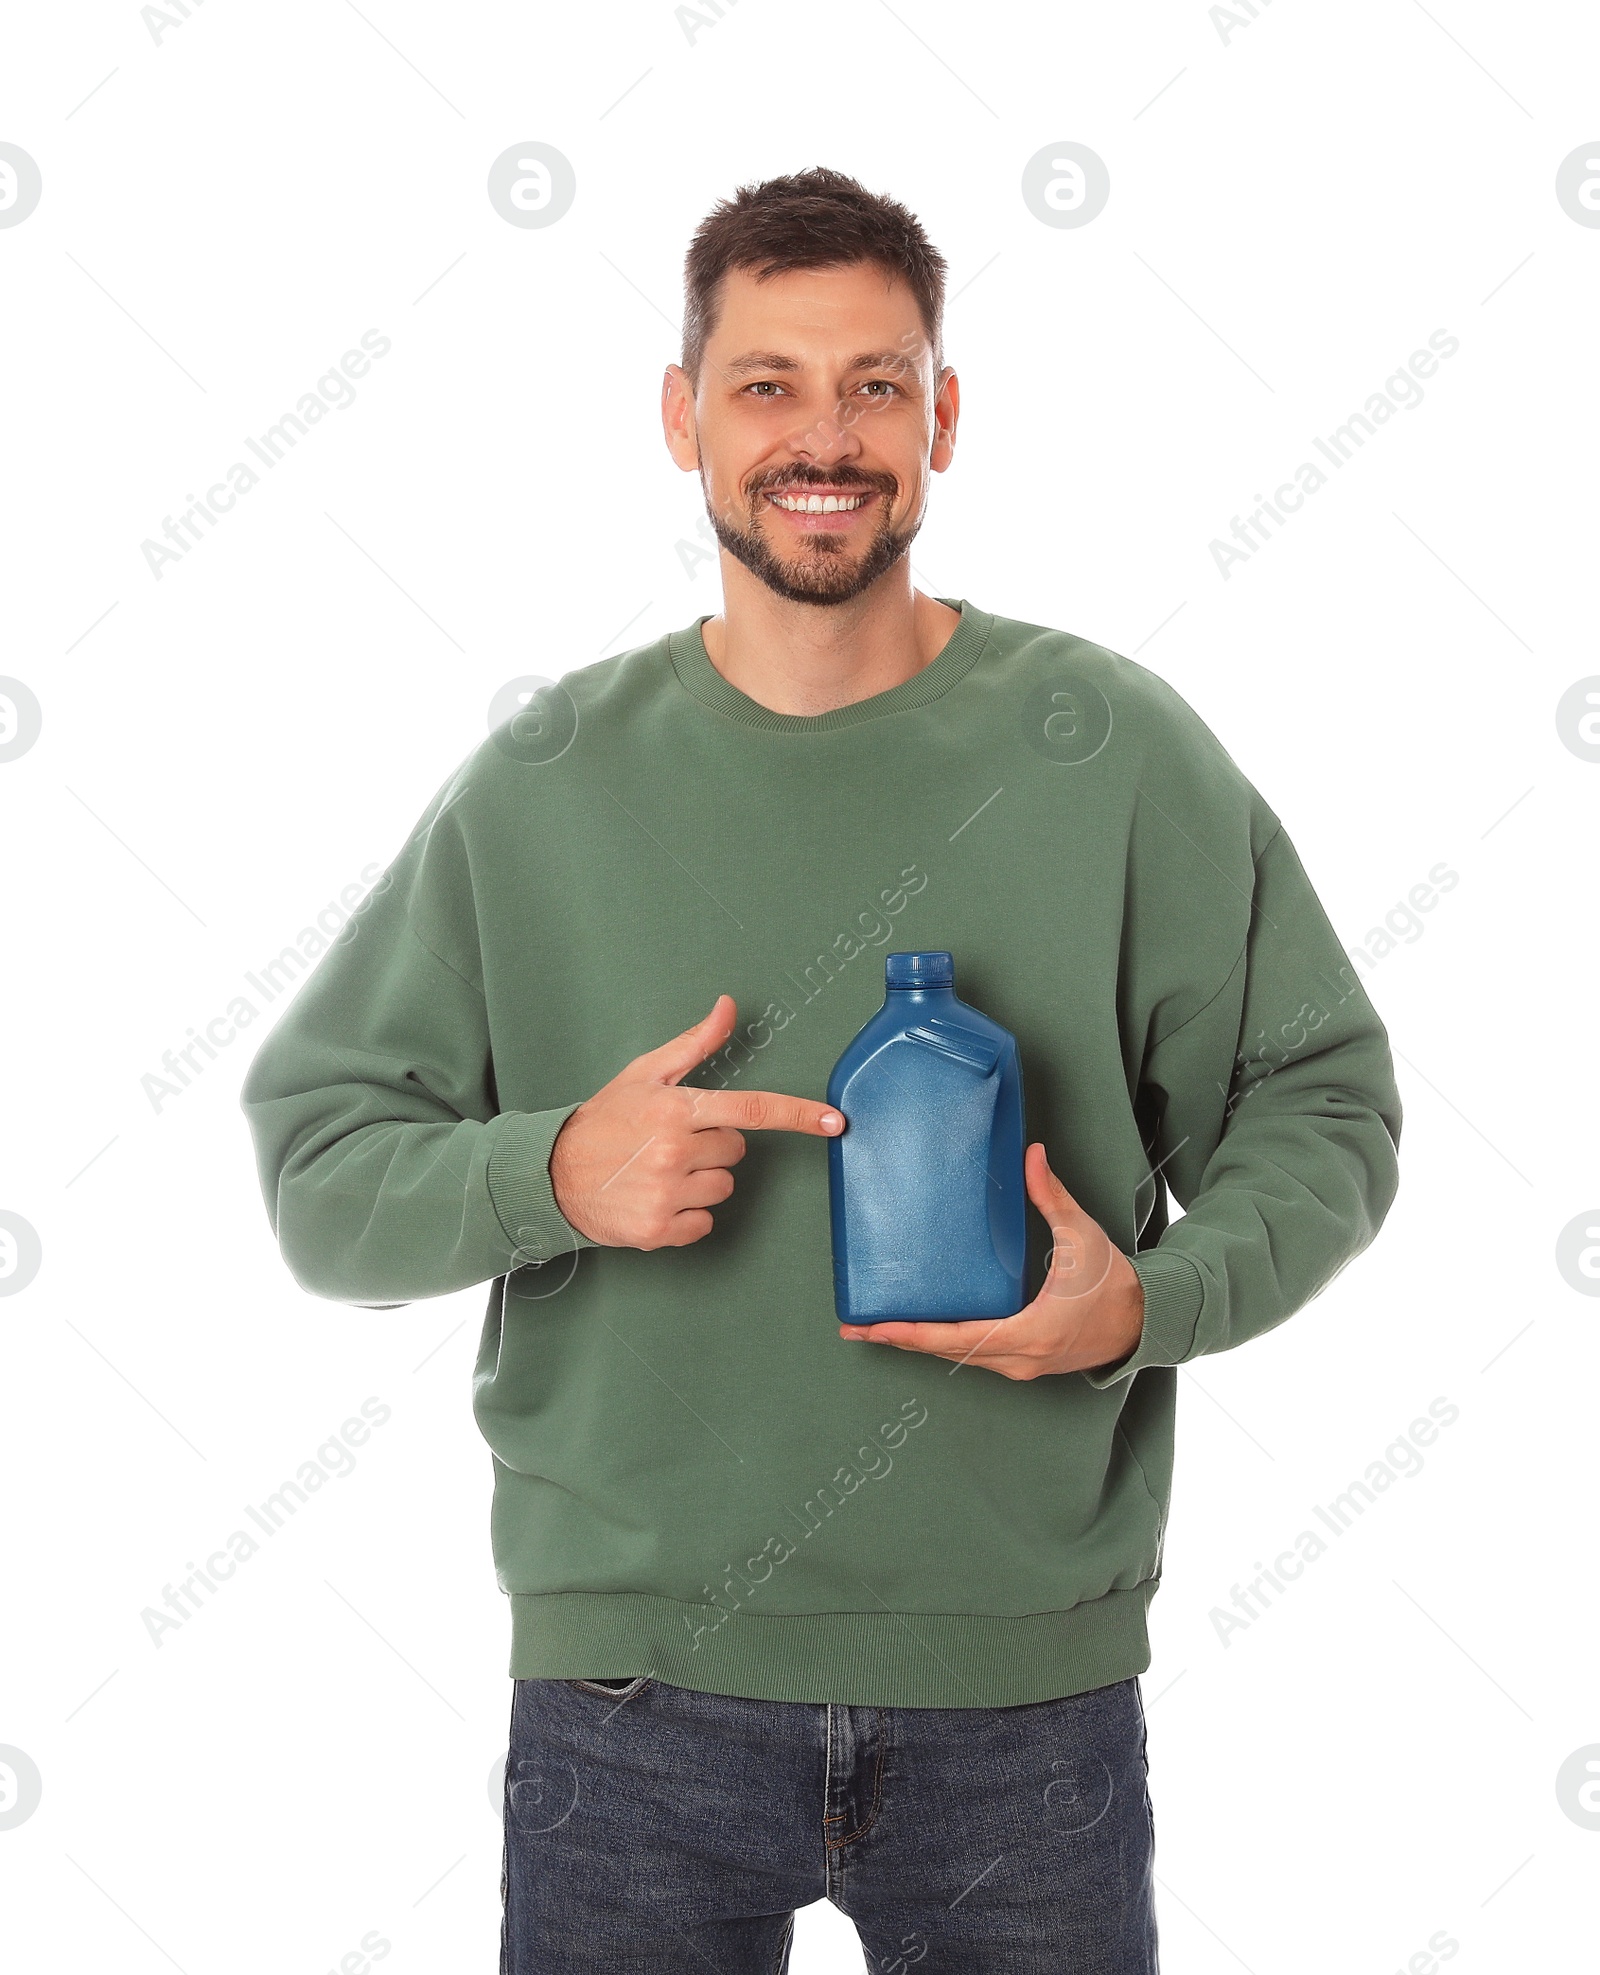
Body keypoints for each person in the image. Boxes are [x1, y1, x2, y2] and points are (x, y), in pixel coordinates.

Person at [239, 165, 1402, 1973]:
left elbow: (1321, 1099)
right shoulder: (544, 781)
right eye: (768, 382)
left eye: (875, 382)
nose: (825, 436)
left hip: (1026, 1701)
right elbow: (319, 1167)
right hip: (631, 1707)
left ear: (940, 417)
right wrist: (546, 1176)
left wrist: (1144, 1305)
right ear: (683, 417)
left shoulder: (1108, 751)